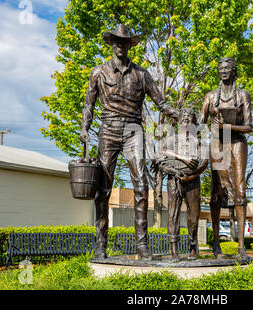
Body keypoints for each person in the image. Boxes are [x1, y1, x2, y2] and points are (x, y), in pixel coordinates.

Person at [79, 24, 178, 260]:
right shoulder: (98, 72)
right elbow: (88, 105)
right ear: (112, 44)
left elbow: (161, 103)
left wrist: (179, 115)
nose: (120, 46)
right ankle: (100, 245)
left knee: (141, 187)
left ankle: (142, 246)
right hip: (109, 130)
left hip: (134, 130)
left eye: (124, 42)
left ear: (129, 46)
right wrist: (84, 128)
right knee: (103, 189)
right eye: (116, 42)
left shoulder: (142, 75)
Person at [199, 57, 253, 258]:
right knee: (217, 189)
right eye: (220, 68)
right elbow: (199, 122)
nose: (223, 71)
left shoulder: (242, 95)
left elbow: (249, 126)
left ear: (234, 71)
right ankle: (216, 245)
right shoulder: (211, 96)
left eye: (227, 68)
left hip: (237, 142)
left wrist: (227, 127)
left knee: (239, 188)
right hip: (218, 144)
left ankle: (241, 247)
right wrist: (208, 111)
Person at [153, 108, 208, 261]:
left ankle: (192, 248)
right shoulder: (171, 140)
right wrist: (182, 159)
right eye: (183, 118)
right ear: (178, 122)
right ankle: (174, 250)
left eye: (189, 117)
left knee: (193, 215)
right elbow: (161, 156)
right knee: (173, 213)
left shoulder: (200, 143)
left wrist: (190, 177)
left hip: (193, 181)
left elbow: (204, 163)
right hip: (174, 180)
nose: (186, 120)